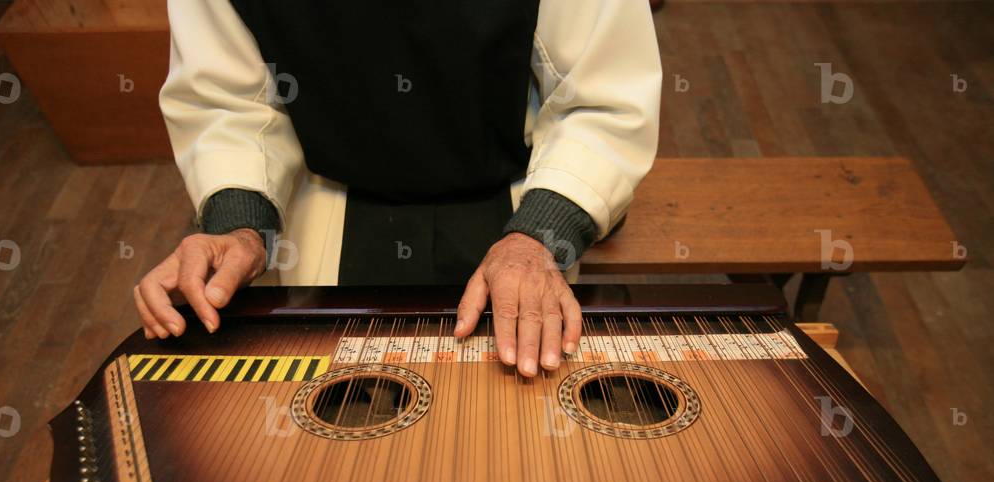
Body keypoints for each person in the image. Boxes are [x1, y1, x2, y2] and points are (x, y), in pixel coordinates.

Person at [134, 0, 661, 378]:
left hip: (519, 191)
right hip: (333, 199)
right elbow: (231, 100)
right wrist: (239, 224)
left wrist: (540, 237)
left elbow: (599, 100)